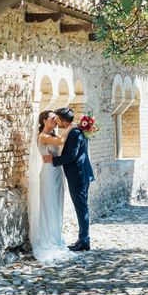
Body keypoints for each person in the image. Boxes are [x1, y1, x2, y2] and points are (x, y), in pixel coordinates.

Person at [42, 107, 95, 251]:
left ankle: (84, 241)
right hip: (80, 175)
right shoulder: (74, 131)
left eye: (57, 118)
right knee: (82, 207)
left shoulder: (75, 133)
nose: (56, 121)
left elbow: (71, 156)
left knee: (81, 207)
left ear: (63, 121)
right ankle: (83, 239)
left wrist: (53, 160)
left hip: (78, 176)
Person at [32, 110, 75, 262]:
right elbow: (61, 142)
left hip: (58, 172)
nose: (55, 120)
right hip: (48, 172)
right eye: (52, 118)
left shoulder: (54, 135)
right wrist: (70, 126)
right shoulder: (43, 136)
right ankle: (48, 239)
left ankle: (57, 237)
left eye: (55, 118)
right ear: (44, 120)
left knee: (57, 204)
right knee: (49, 204)